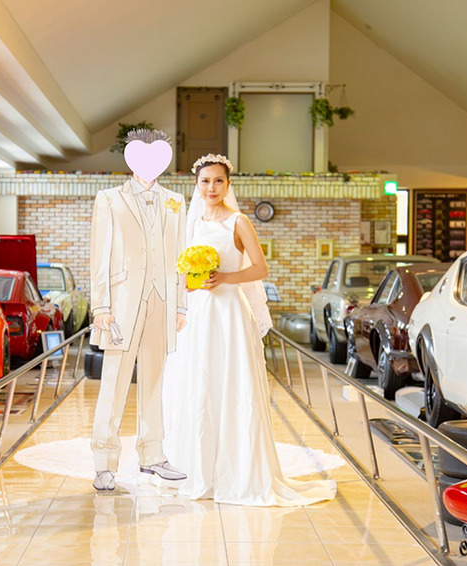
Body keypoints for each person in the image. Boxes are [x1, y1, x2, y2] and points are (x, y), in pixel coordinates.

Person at [163, 154, 337, 506]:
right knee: (200, 385)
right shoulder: (193, 223)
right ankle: (198, 469)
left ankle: (238, 473)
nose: (211, 187)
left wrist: (225, 277)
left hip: (229, 312)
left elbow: (260, 269)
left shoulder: (238, 222)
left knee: (232, 384)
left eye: (218, 181)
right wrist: (189, 286)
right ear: (196, 186)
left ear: (228, 185)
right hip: (199, 314)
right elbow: (182, 274)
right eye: (205, 181)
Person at [89, 129, 188, 491]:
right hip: (122, 304)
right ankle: (104, 463)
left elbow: (180, 254)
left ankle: (153, 455)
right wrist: (101, 305)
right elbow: (99, 254)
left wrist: (180, 304)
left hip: (161, 301)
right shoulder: (109, 199)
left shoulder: (175, 201)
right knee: (113, 384)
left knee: (154, 383)